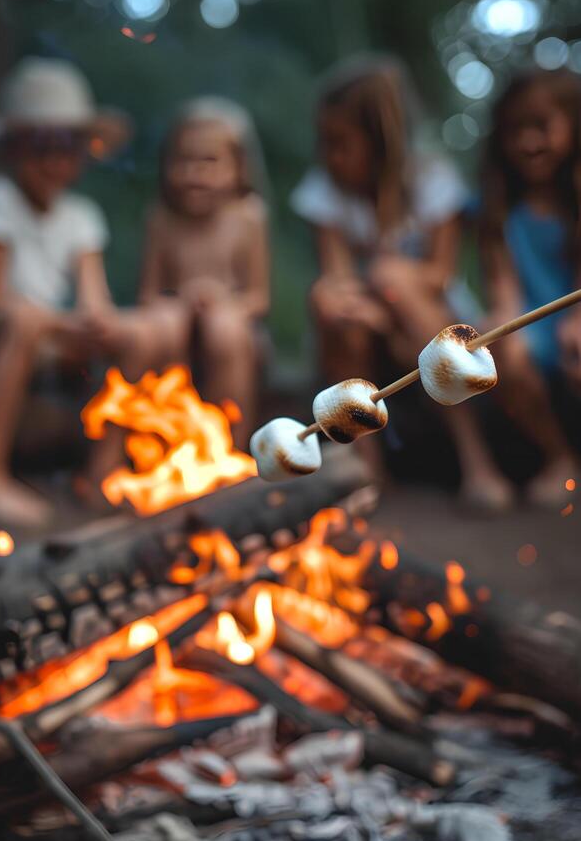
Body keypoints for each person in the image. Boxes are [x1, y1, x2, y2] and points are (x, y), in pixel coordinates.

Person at [291, 54, 512, 510]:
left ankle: (478, 461)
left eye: (341, 143)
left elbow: (438, 274)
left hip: (439, 324)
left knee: (394, 276)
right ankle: (368, 469)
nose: (329, 156)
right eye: (324, 143)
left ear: (379, 141)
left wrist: (384, 294)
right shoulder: (325, 191)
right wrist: (348, 302)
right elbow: (336, 280)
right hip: (367, 327)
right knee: (327, 304)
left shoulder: (432, 181)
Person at [0, 56, 137, 527]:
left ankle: (102, 470)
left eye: (67, 146)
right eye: (40, 146)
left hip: (46, 336)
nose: (55, 161)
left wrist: (101, 325)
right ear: (13, 150)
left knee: (139, 331)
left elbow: (94, 301)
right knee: (24, 319)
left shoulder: (82, 216)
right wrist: (59, 325)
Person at [136, 97, 270, 448]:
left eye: (209, 161)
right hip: (176, 322)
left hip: (230, 328)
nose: (195, 173)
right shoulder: (162, 219)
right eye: (183, 160)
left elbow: (259, 298)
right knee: (163, 323)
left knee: (225, 329)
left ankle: (231, 448)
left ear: (239, 167)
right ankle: (166, 444)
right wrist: (180, 304)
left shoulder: (248, 217)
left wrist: (224, 304)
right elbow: (147, 295)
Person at [479, 67, 580, 507]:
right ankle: (560, 458)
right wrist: (499, 326)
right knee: (501, 346)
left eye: (541, 127)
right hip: (535, 324)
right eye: (515, 130)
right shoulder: (499, 208)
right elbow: (504, 290)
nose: (528, 142)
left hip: (575, 318)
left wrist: (577, 321)